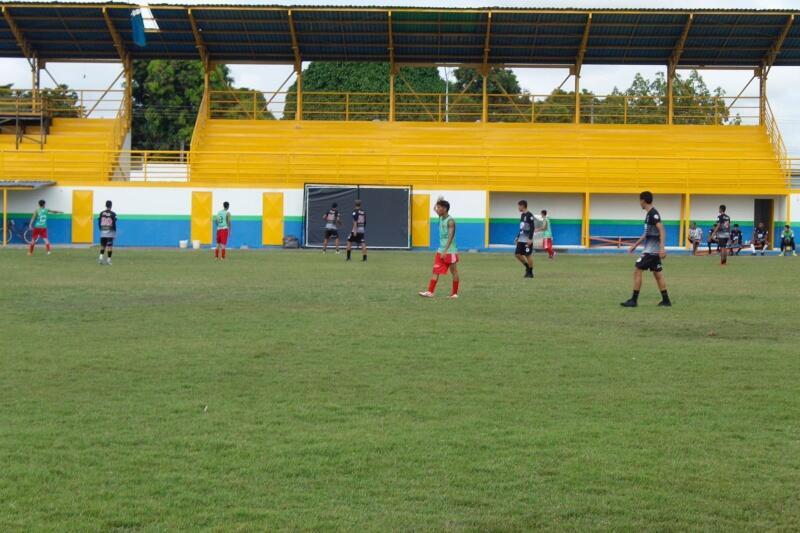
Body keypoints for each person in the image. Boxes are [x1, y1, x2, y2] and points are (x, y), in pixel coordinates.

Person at [621, 191, 671, 307]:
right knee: (657, 274)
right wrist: (635, 245)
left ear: (643, 200)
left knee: (638, 268)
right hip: (652, 250)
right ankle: (666, 300)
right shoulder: (649, 215)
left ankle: (634, 300)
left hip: (651, 251)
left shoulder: (653, 214)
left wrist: (662, 248)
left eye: (640, 201)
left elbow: (662, 230)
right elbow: (646, 234)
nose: (640, 203)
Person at [419, 198, 459, 299]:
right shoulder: (441, 217)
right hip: (440, 250)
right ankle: (430, 292)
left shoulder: (450, 221)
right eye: (437, 207)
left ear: (445, 209)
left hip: (450, 251)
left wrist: (445, 251)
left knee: (454, 272)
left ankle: (454, 294)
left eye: (439, 207)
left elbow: (450, 237)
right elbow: (434, 209)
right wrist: (438, 201)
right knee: (435, 270)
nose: (437, 209)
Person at [514, 200, 535, 278]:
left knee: (528, 255)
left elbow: (532, 228)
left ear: (523, 206)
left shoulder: (530, 215)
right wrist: (517, 237)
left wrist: (530, 239)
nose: (518, 208)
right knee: (517, 254)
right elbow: (522, 228)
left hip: (527, 239)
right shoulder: (522, 215)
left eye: (519, 206)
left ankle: (530, 272)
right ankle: (527, 267)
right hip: (521, 239)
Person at [97, 200, 117, 265]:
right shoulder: (113, 214)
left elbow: (99, 222)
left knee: (103, 246)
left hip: (103, 231)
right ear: (111, 206)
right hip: (110, 231)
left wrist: (101, 229)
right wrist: (114, 232)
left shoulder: (101, 213)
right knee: (109, 246)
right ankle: (108, 260)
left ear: (105, 205)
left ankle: (100, 259)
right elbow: (114, 224)